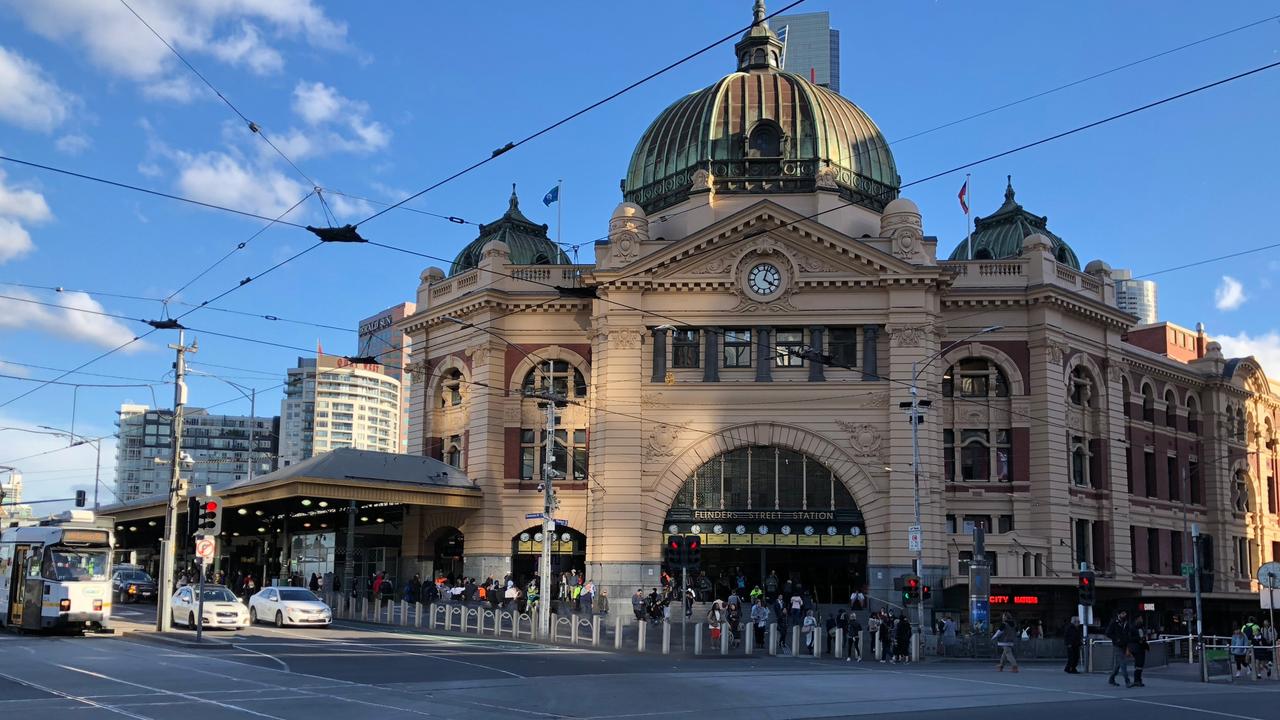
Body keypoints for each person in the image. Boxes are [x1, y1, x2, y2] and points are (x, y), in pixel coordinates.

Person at [1105, 610, 1134, 687]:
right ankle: (1127, 681)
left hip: (1124, 645)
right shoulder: (1114, 622)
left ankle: (1111, 678)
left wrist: (1128, 642)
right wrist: (1116, 639)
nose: (1124, 615)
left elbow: (1128, 633)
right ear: (1119, 614)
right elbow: (1108, 633)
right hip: (1117, 645)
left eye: (1125, 613)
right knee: (1123, 663)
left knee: (1118, 665)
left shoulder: (1126, 623)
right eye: (1123, 613)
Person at [1130, 616, 1149, 687]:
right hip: (1136, 648)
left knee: (1140, 664)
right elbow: (1130, 638)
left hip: (1142, 647)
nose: (1142, 620)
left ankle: (1138, 679)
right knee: (1139, 663)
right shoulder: (1132, 628)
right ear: (1136, 619)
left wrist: (1145, 637)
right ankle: (1137, 680)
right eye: (1140, 619)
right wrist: (1139, 638)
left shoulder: (1142, 628)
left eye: (1142, 619)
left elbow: (1144, 635)